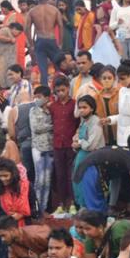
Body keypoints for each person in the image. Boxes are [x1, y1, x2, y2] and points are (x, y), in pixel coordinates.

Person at [50, 77, 79, 213]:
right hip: (57, 145)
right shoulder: (53, 106)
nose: (61, 93)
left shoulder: (75, 104)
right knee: (60, 175)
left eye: (63, 90)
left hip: (71, 144)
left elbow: (79, 124)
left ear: (68, 88)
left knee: (71, 174)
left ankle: (72, 203)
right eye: (58, 91)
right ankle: (62, 204)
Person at [26, 0, 63, 86]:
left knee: (43, 70)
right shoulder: (54, 10)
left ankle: (45, 94)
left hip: (40, 41)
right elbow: (60, 26)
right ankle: (60, 89)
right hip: (51, 39)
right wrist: (60, 43)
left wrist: (31, 44)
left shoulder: (32, 11)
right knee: (58, 67)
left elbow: (27, 28)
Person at [29, 86, 54, 214]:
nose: (37, 99)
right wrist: (52, 126)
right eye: (36, 96)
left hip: (50, 148)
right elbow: (37, 128)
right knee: (39, 179)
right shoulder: (33, 110)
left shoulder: (51, 110)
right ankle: (36, 208)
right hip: (38, 148)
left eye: (39, 97)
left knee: (47, 180)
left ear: (47, 98)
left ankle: (43, 208)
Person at [94, 65, 119, 146]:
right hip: (103, 133)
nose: (106, 80)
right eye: (104, 78)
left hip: (119, 132)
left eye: (109, 78)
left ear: (114, 79)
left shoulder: (120, 94)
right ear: (100, 80)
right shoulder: (96, 97)